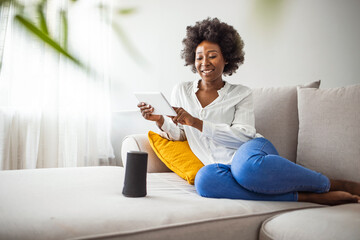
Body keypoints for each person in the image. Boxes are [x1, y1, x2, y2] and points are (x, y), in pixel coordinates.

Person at [137, 17, 360, 205]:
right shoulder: (181, 91)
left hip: (251, 150)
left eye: (212, 55)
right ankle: (304, 197)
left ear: (227, 58)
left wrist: (197, 122)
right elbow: (180, 134)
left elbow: (243, 135)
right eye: (199, 57)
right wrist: (159, 121)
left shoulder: (241, 93)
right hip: (219, 165)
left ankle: (329, 183)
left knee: (245, 170)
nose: (204, 62)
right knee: (205, 181)